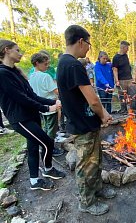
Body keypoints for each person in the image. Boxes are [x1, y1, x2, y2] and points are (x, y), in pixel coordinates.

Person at [56, 25, 115, 216]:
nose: (89, 47)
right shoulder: (73, 65)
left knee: (95, 161)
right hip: (83, 125)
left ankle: (97, 188)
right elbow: (93, 100)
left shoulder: (64, 62)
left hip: (85, 123)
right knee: (86, 165)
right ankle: (87, 202)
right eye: (88, 43)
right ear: (80, 41)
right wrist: (104, 115)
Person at [0, 39, 65, 191]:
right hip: (21, 118)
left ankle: (34, 180)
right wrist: (46, 108)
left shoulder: (15, 71)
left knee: (33, 147)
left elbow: (32, 95)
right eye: (17, 50)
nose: (20, 53)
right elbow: (20, 98)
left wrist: (51, 102)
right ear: (6, 50)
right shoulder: (2, 74)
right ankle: (48, 169)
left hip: (31, 115)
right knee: (48, 142)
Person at [29, 53, 64, 157]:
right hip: (50, 106)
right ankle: (50, 149)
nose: (47, 66)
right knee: (52, 129)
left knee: (45, 127)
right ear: (37, 63)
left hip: (40, 106)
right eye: (45, 64)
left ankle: (44, 146)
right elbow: (56, 91)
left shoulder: (32, 76)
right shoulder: (45, 76)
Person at [112, 41, 136, 113]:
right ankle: (123, 110)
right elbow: (115, 70)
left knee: (133, 95)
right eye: (127, 48)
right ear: (122, 47)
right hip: (121, 80)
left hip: (129, 79)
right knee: (122, 96)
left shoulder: (126, 56)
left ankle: (133, 110)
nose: (128, 49)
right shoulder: (116, 58)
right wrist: (117, 81)